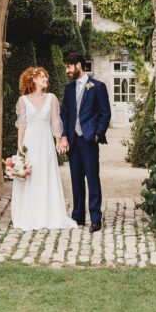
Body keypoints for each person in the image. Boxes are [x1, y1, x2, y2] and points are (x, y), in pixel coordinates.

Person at [10, 66, 78, 231]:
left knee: (45, 173)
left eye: (45, 77)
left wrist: (58, 140)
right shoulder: (23, 100)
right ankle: (30, 215)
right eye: (42, 77)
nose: (45, 80)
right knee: (31, 175)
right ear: (33, 79)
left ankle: (49, 214)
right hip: (30, 140)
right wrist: (20, 145)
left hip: (45, 140)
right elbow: (22, 124)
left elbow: (55, 120)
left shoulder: (52, 98)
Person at [58, 52, 111, 232]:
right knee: (76, 179)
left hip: (88, 140)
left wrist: (97, 134)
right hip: (73, 140)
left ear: (79, 65)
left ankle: (96, 218)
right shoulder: (69, 89)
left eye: (69, 66)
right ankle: (78, 216)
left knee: (92, 178)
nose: (67, 70)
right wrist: (64, 135)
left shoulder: (97, 87)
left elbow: (105, 114)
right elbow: (65, 113)